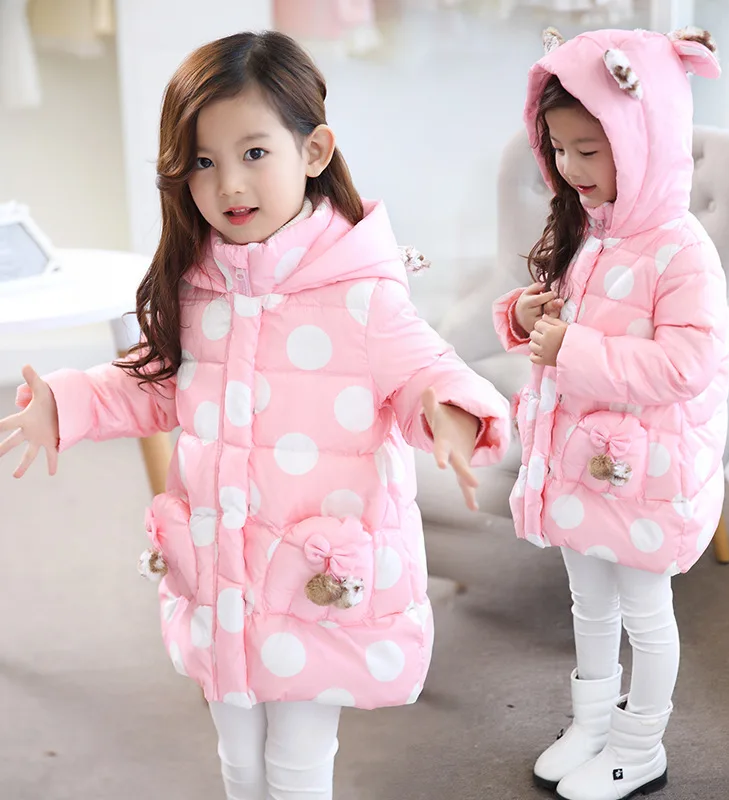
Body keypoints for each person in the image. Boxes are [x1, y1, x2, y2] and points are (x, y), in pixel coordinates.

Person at [0, 30, 510, 800]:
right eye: (203, 162)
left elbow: (423, 372)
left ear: (314, 151)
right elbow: (154, 383)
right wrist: (66, 403)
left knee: (298, 762)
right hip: (222, 575)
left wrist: (451, 415)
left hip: (310, 579)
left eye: (254, 153)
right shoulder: (199, 282)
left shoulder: (361, 291)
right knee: (239, 757)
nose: (228, 183)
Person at [493, 26, 729, 800]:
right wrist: (525, 316)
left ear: (642, 138)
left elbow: (685, 367)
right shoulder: (588, 232)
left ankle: (640, 745)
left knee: (644, 615)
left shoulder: (682, 250)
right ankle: (593, 724)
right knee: (588, 604)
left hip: (643, 475)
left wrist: (573, 348)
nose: (569, 168)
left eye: (588, 150)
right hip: (579, 465)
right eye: (559, 149)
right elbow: (560, 329)